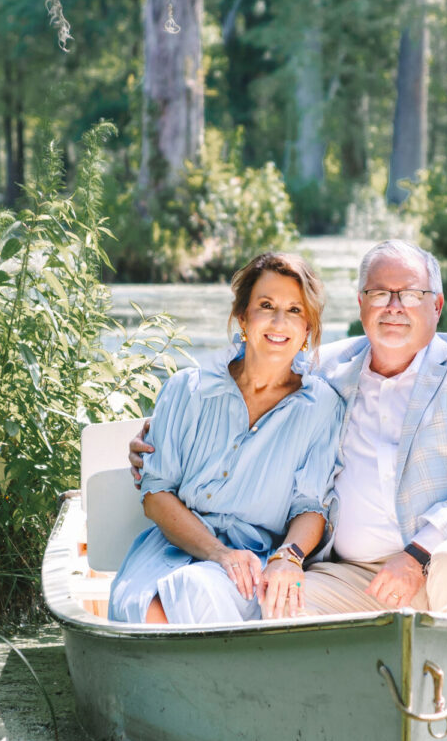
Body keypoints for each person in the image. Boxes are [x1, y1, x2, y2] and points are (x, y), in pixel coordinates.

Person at [133, 239, 447, 619]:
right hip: (359, 576)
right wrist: (153, 434)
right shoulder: (328, 370)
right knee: (276, 602)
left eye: (411, 294)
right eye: (380, 293)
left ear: (438, 305)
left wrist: (417, 553)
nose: (394, 306)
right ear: (361, 303)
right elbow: (255, 382)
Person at [108, 252, 344, 625]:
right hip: (171, 547)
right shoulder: (187, 389)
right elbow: (156, 495)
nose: (279, 321)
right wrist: (218, 553)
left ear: (308, 329)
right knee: (147, 611)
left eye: (295, 310)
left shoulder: (322, 406)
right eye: (266, 305)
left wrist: (289, 556)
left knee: (194, 593)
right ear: (243, 317)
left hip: (252, 561)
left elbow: (310, 507)